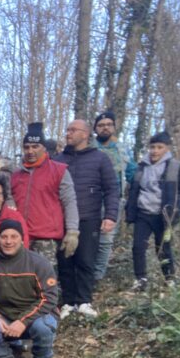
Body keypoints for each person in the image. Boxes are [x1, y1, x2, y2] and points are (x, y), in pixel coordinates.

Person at [53, 119, 120, 318]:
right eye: (67, 129)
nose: (68, 133)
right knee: (64, 261)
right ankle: (68, 302)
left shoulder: (100, 159)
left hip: (89, 216)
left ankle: (84, 301)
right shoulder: (57, 159)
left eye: (73, 130)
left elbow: (111, 189)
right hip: (61, 219)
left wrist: (110, 215)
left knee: (85, 260)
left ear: (85, 134)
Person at [0, 219, 59, 358]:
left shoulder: (39, 263)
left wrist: (23, 321)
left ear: (22, 239)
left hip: (35, 317)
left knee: (43, 327)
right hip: (5, 317)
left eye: (14, 236)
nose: (9, 241)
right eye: (4, 237)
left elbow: (49, 298)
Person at [125, 130, 180, 290]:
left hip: (164, 215)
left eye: (159, 147)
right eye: (152, 147)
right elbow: (134, 188)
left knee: (163, 247)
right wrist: (130, 209)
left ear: (167, 149)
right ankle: (140, 279)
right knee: (138, 247)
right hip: (143, 213)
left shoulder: (176, 167)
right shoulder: (141, 167)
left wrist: (178, 208)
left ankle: (169, 280)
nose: (155, 151)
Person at [11, 122, 79, 272]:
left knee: (43, 279)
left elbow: (69, 202)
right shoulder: (15, 175)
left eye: (35, 147)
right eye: (27, 147)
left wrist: (73, 231)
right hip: (19, 236)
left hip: (46, 238)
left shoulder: (59, 171)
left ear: (43, 148)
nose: (30, 151)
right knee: (20, 279)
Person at [93, 111, 137, 281]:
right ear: (96, 128)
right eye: (101, 125)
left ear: (114, 127)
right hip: (91, 199)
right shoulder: (89, 147)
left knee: (105, 240)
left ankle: (97, 277)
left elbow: (132, 172)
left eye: (108, 124)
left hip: (113, 200)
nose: (105, 128)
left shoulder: (122, 150)